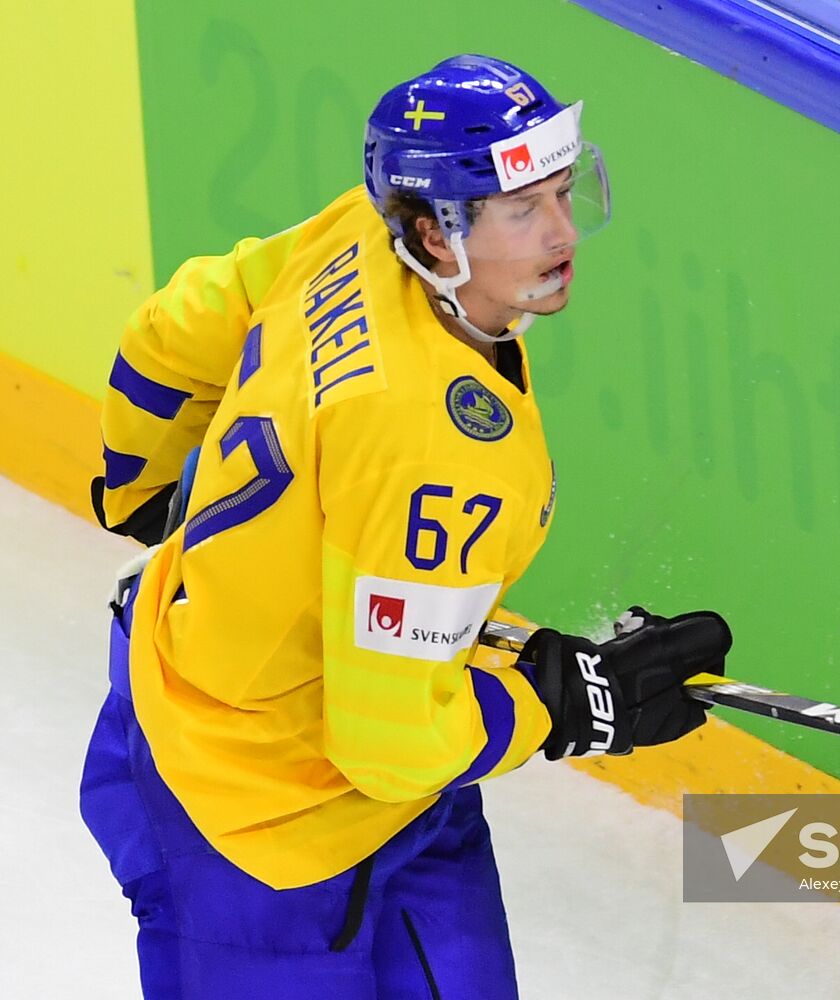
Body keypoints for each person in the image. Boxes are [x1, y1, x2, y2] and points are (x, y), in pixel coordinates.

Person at [80, 54, 732, 999]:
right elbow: (388, 741)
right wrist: (565, 708)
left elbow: (174, 330)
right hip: (244, 818)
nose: (561, 233)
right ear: (434, 231)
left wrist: (137, 484)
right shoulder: (433, 445)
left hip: (394, 792)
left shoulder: (361, 230)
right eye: (522, 210)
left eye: (561, 194)